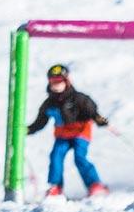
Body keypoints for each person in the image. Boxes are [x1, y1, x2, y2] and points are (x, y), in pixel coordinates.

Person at [26, 63, 110, 197]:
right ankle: (55, 187)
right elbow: (40, 122)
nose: (56, 85)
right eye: (53, 82)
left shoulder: (79, 99)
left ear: (67, 81)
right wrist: (28, 130)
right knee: (56, 156)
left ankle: (95, 184)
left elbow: (92, 111)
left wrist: (99, 119)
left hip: (80, 133)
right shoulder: (49, 104)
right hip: (62, 135)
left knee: (79, 157)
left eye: (59, 81)